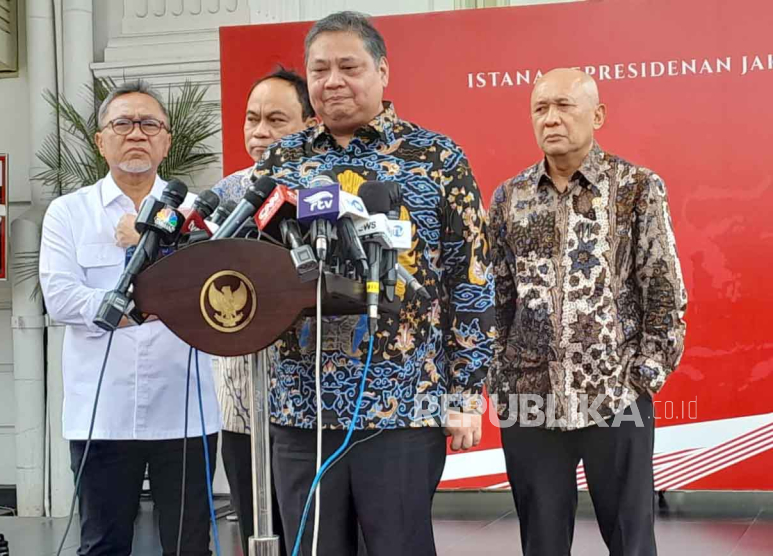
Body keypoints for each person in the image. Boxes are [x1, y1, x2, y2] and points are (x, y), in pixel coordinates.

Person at [253, 12, 496, 555]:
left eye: (348, 66)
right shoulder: (282, 161)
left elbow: (471, 280)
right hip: (301, 409)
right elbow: (256, 266)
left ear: (382, 71)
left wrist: (465, 395)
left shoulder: (436, 158)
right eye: (319, 69)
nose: (332, 81)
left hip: (403, 405)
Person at [488, 68, 688, 556]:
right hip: (529, 398)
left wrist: (643, 376)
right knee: (541, 542)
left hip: (616, 396)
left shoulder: (636, 187)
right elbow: (496, 297)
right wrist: (498, 374)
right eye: (540, 109)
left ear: (596, 115)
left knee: (631, 539)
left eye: (563, 106)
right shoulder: (508, 197)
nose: (550, 119)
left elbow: (663, 288)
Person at [39, 80, 220, 556]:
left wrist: (140, 288)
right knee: (102, 544)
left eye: (149, 124)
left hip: (184, 410)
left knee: (189, 546)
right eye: (122, 123)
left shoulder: (198, 218)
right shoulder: (68, 213)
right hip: (102, 413)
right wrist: (151, 307)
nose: (135, 133)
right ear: (101, 141)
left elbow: (211, 297)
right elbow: (60, 298)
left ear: (166, 140)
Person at [212, 66, 315, 556]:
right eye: (252, 119)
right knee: (255, 525)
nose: (260, 132)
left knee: (314, 532)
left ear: (310, 123)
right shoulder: (227, 194)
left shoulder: (324, 194)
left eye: (276, 119)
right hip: (241, 401)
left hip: (311, 400)